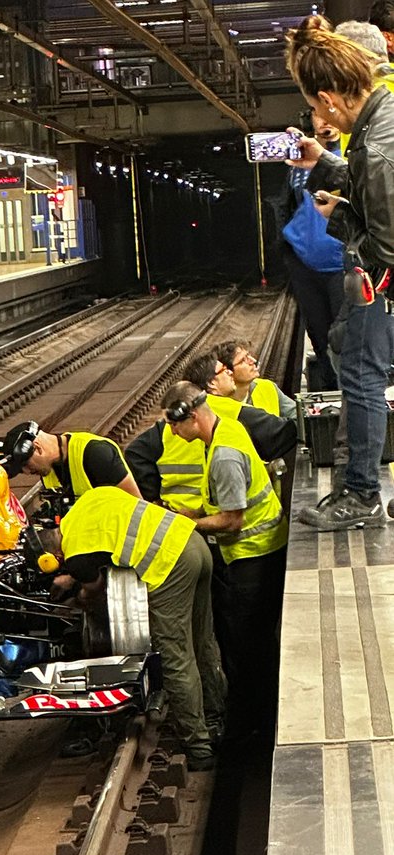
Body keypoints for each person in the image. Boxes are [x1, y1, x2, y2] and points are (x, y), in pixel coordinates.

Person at [286, 15, 394, 530]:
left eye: (313, 105)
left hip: (383, 280)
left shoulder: (376, 146)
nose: (315, 114)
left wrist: (341, 217)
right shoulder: (383, 116)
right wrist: (325, 162)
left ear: (330, 97)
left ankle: (361, 494)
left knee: (361, 375)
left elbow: (388, 248)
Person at [55, 486, 225, 770]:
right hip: (193, 541)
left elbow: (93, 590)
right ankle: (216, 716)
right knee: (202, 640)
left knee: (175, 655)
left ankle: (199, 746)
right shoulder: (87, 503)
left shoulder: (74, 553)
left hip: (171, 565)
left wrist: (77, 591)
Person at [162, 382, 288, 739]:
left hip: (254, 557)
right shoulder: (222, 432)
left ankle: (254, 725)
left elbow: (233, 520)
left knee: (247, 644)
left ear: (191, 417)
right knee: (248, 640)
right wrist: (186, 513)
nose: (171, 432)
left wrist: (193, 526)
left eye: (174, 425)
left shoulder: (224, 455)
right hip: (259, 551)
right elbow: (217, 500)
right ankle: (256, 715)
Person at [126, 356, 297, 513]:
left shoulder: (168, 424)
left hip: (185, 517)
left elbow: (135, 453)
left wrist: (154, 496)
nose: (230, 372)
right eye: (223, 370)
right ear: (212, 383)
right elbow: (286, 433)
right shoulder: (233, 411)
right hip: (228, 520)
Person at [281, 109, 345, 391]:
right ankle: (332, 392)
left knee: (347, 338)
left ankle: (351, 394)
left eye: (332, 112)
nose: (326, 121)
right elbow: (290, 203)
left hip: (345, 263)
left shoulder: (355, 151)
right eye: (319, 115)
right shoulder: (298, 160)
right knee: (319, 335)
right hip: (305, 264)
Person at [0, 420, 142, 502]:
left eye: (25, 464)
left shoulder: (96, 453)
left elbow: (137, 505)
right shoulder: (48, 472)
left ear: (37, 448)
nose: (27, 471)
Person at [213, 340, 297, 419]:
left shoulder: (267, 387)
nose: (253, 361)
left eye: (248, 356)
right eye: (243, 360)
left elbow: (297, 415)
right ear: (228, 372)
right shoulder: (214, 405)